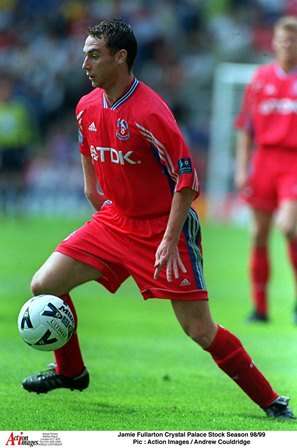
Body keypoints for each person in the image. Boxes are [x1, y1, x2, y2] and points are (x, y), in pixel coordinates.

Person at [22, 18, 293, 419]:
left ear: (121, 57)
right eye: (84, 55)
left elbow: (187, 180)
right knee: (44, 284)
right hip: (115, 221)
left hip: (164, 226)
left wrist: (168, 239)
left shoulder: (150, 112)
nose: (85, 64)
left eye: (94, 55)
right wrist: (97, 203)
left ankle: (271, 400)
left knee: (200, 331)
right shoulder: (86, 107)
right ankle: (72, 371)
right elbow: (88, 162)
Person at [235, 16, 297, 324]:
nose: (287, 46)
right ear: (273, 43)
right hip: (263, 162)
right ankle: (259, 308)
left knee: (289, 227)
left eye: (292, 41)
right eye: (282, 41)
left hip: (293, 164)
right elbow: (245, 128)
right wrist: (241, 168)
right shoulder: (259, 79)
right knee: (258, 234)